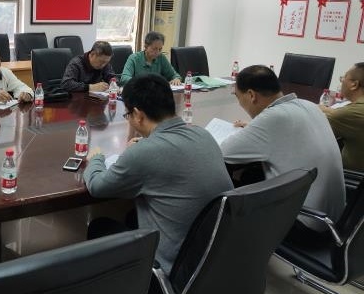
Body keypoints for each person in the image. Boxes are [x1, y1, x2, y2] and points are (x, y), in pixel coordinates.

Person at [83, 74, 233, 274]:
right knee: (132, 216)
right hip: (217, 257)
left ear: (138, 115)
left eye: (127, 114)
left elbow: (97, 186)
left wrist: (96, 159)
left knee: (99, 226)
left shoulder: (144, 153)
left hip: (173, 269)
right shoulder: (203, 134)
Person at [220, 65, 345, 232]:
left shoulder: (272, 118)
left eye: (238, 96)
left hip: (305, 224)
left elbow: (222, 153)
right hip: (334, 218)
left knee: (230, 192)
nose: (239, 103)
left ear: (251, 95)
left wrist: (256, 128)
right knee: (252, 174)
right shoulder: (308, 105)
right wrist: (253, 127)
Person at [319, 62, 364, 172]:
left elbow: (312, 133)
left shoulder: (347, 115)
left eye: (343, 77)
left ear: (354, 85)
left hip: (352, 178)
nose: (341, 81)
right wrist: (329, 110)